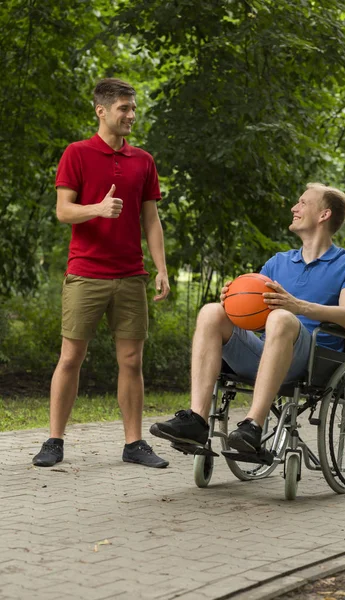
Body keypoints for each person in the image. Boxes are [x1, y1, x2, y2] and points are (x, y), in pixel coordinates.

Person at [150, 183, 345, 460]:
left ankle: (253, 426)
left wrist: (299, 306)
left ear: (324, 215)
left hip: (312, 362)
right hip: (265, 353)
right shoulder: (278, 263)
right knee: (211, 311)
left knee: (282, 317)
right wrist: (235, 301)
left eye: (303, 203)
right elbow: (253, 316)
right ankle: (196, 421)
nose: (294, 208)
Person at [33, 78, 170, 469]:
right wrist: (97, 209)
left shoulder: (143, 160)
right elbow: (63, 211)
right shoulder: (76, 153)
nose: (130, 115)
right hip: (86, 273)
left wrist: (160, 268)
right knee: (71, 356)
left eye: (132, 108)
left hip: (130, 275)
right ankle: (54, 440)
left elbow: (151, 219)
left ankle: (134, 444)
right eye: (124, 108)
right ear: (102, 111)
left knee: (131, 360)